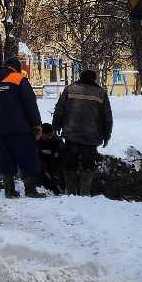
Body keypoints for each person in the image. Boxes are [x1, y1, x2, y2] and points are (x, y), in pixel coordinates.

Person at [0, 57, 44, 198]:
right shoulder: (18, 79)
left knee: (6, 158)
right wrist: (36, 124)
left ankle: (9, 190)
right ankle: (30, 190)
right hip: (21, 129)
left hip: (1, 130)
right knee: (28, 158)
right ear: (16, 67)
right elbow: (30, 104)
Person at [52, 68, 113, 196]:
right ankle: (85, 193)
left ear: (81, 77)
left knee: (70, 163)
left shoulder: (70, 89)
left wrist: (56, 126)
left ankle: (71, 192)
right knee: (88, 164)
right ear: (94, 79)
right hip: (91, 135)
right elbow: (107, 117)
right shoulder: (101, 93)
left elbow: (59, 109)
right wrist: (106, 136)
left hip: (71, 133)